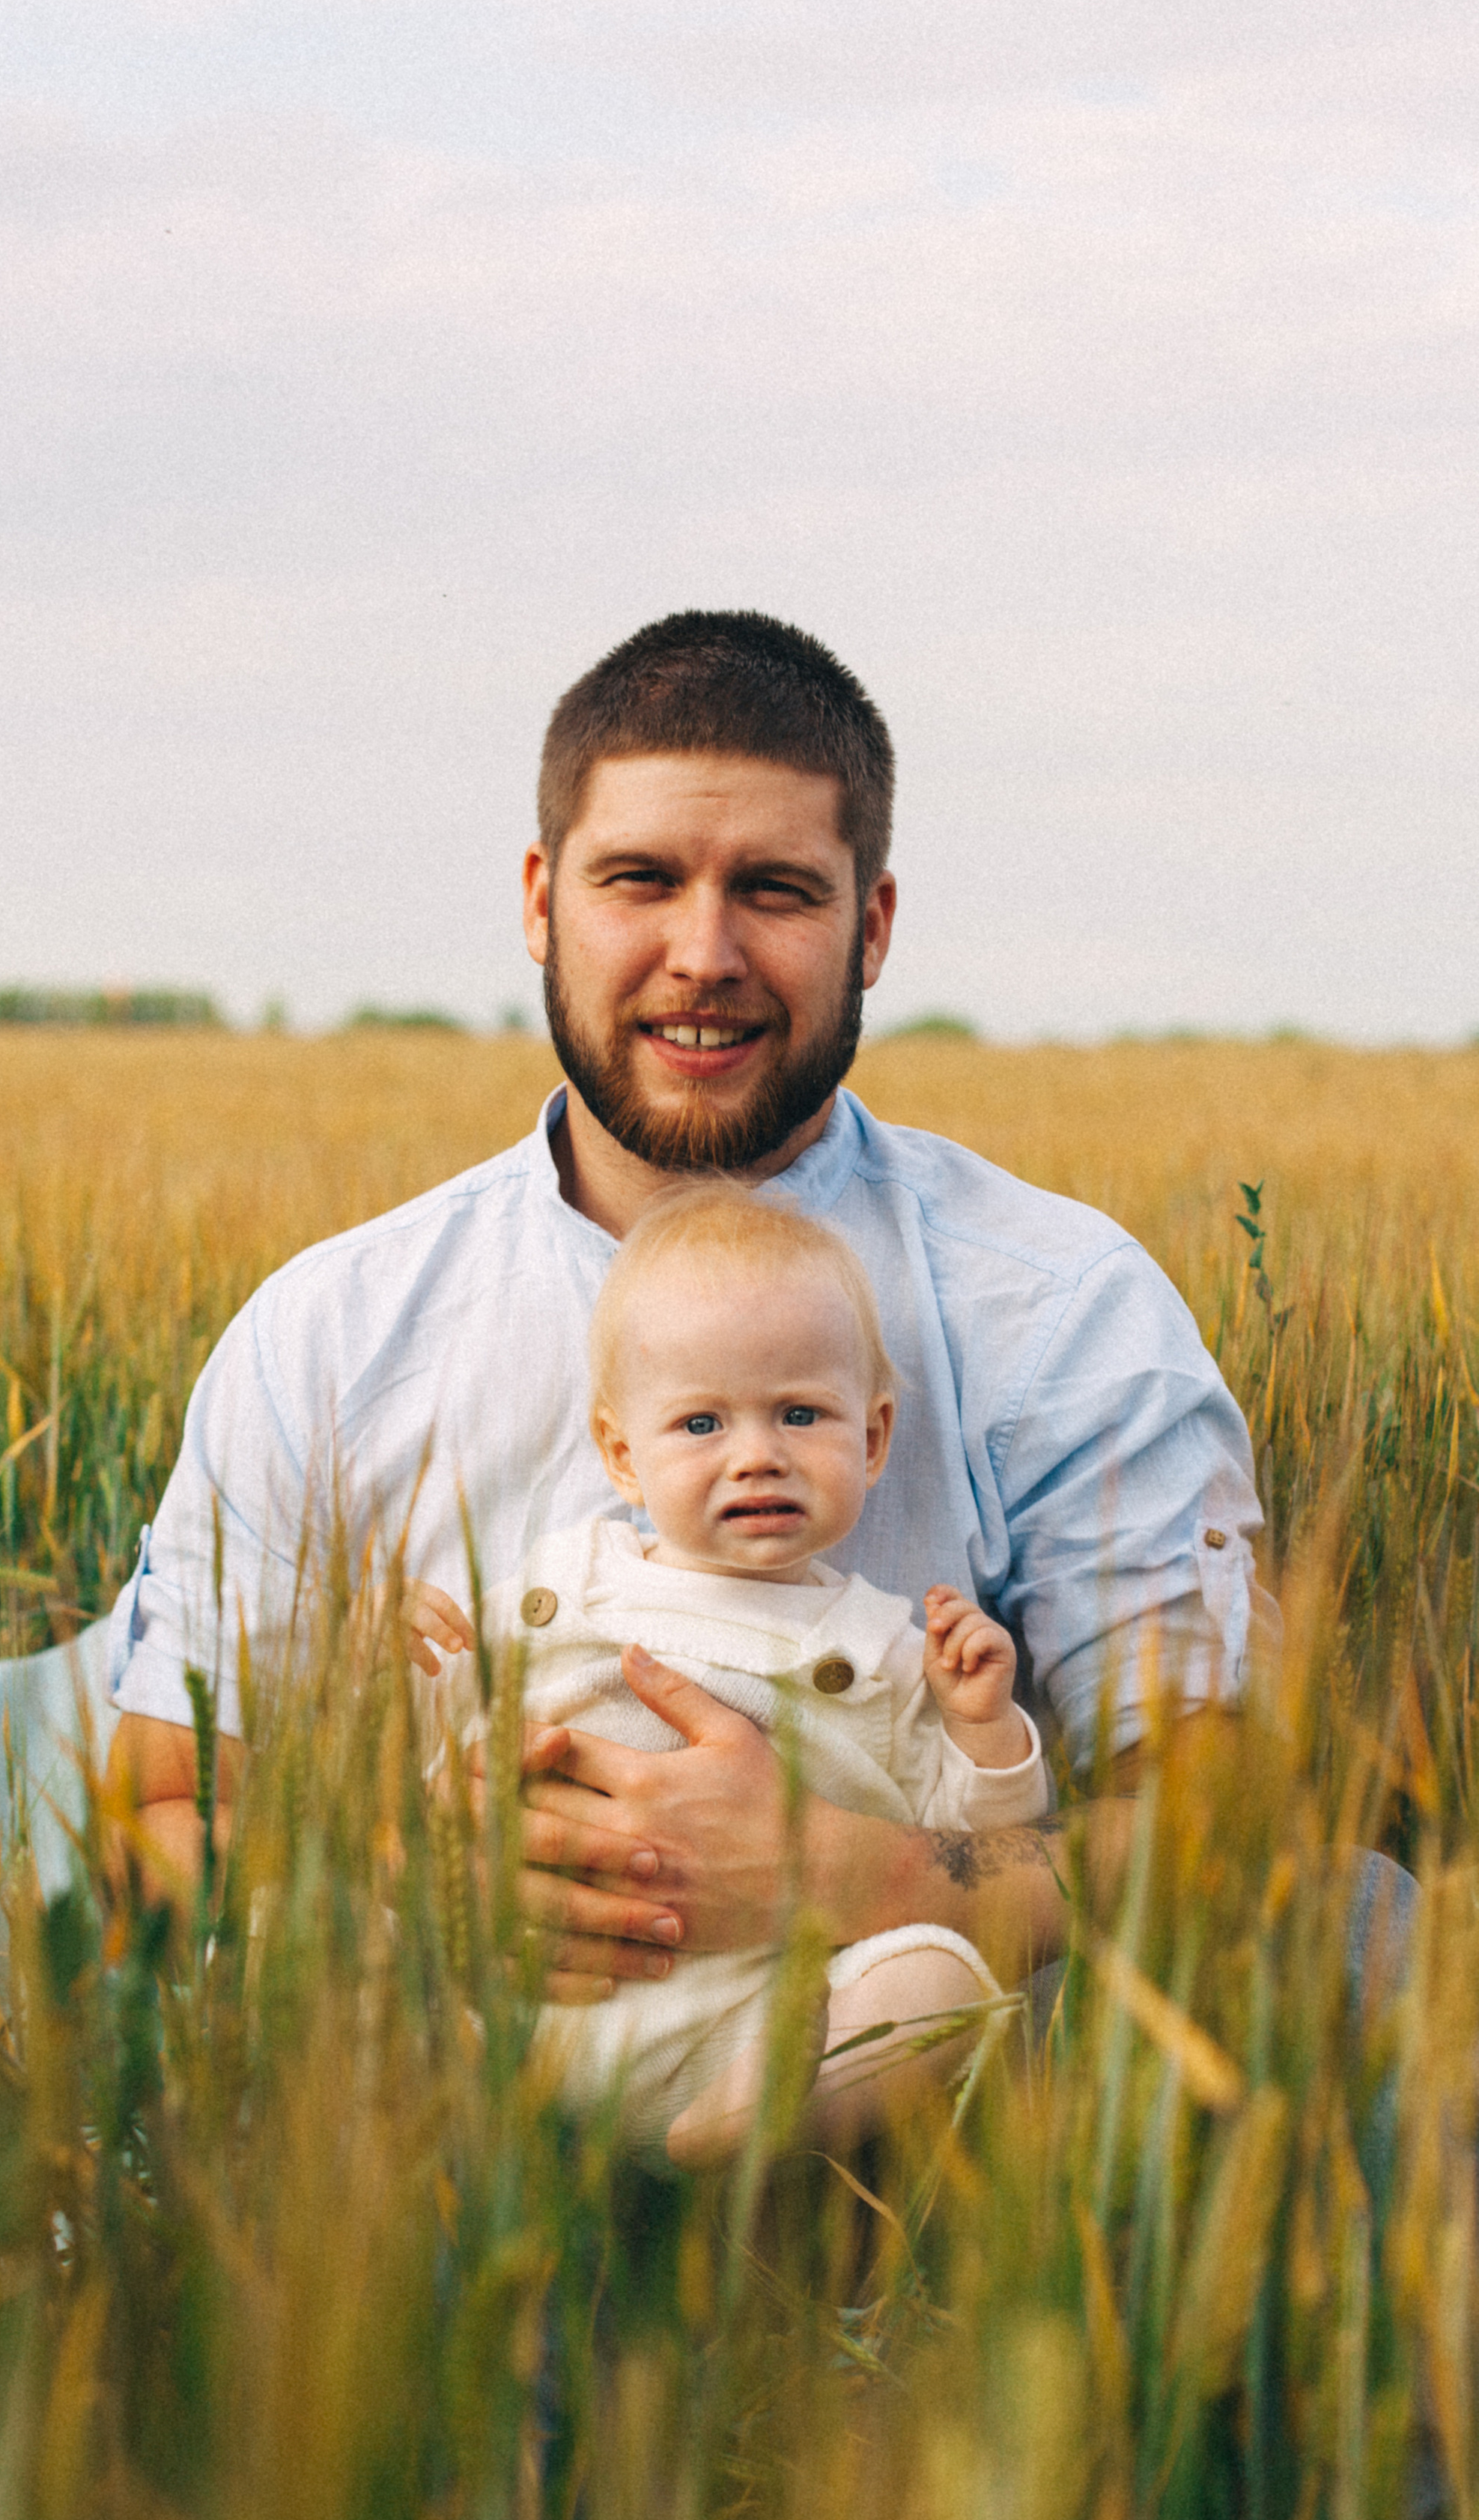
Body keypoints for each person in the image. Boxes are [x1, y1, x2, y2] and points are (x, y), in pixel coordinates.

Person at [104, 606, 1269, 2003]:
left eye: (775, 889)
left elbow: (1228, 1849)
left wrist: (835, 1875)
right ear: (541, 901)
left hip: (944, 2135)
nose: (704, 953)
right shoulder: (333, 1335)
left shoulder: (1063, 1318)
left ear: (873, 923)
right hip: (437, 2154)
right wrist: (401, 1883)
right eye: (640, 879)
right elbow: (156, 1822)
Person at [411, 1180, 1048, 2167]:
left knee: (948, 1974)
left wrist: (987, 1730)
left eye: (800, 1415)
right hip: (519, 2004)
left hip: (754, 2027)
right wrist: (398, 1674)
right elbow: (435, 1749)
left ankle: (742, 2128)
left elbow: (980, 1845)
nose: (756, 1457)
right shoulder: (555, 1587)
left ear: (872, 1439)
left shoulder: (885, 1646)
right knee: (320, 1933)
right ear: (623, 1457)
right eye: (702, 1425)